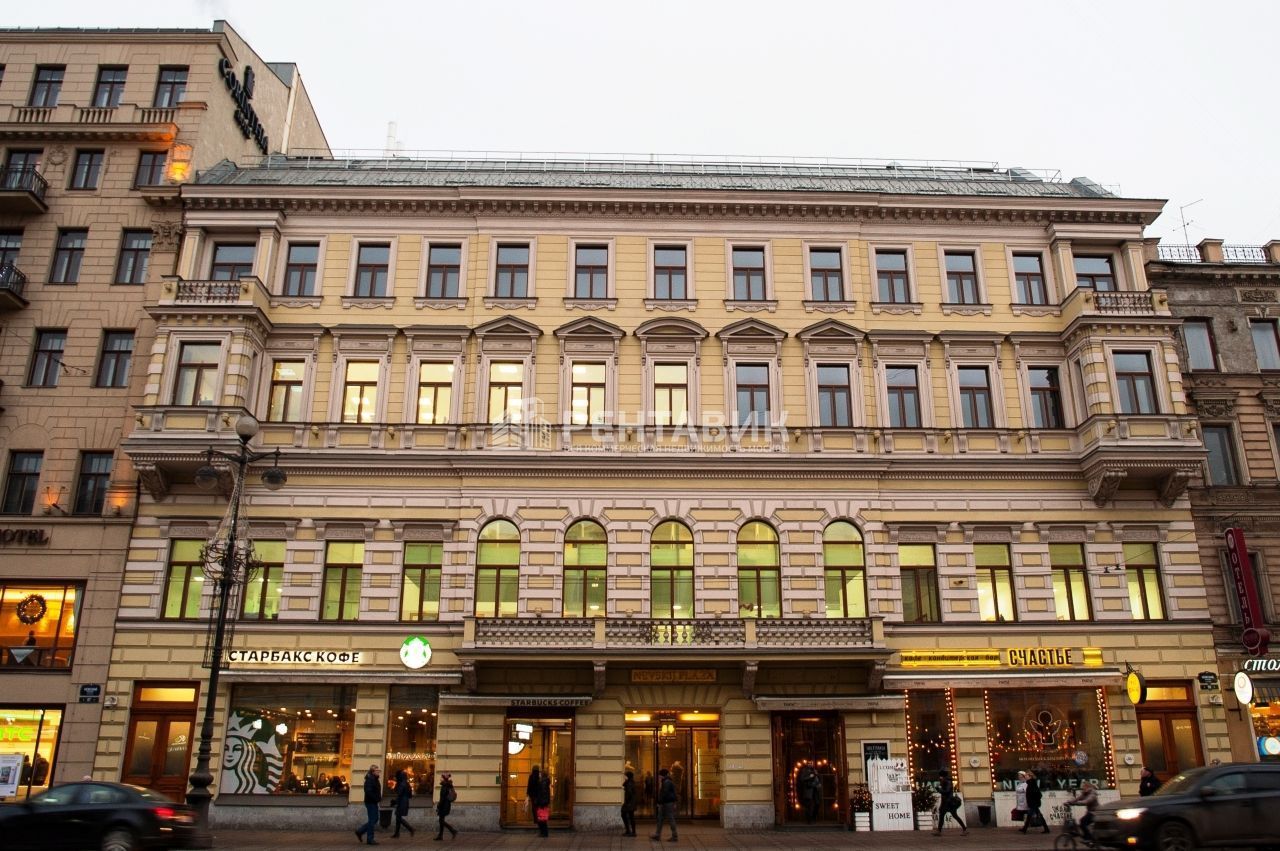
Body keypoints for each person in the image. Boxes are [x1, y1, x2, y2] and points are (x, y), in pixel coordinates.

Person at [932, 768, 967, 836]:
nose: (939, 777)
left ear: (942, 776)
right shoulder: (945, 781)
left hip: (948, 802)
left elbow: (947, 791)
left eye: (940, 776)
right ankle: (964, 829)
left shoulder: (947, 782)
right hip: (947, 802)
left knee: (944, 816)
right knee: (952, 816)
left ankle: (939, 831)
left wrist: (939, 789)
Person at [354, 764, 382, 846]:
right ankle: (370, 839)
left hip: (373, 802)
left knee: (375, 819)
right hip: (370, 802)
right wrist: (376, 798)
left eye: (378, 770)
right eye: (377, 770)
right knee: (372, 820)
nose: (378, 772)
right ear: (373, 772)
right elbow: (368, 792)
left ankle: (360, 831)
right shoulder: (370, 780)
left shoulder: (374, 779)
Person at [650, 766, 678, 842]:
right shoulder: (666, 781)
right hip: (666, 802)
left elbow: (664, 793)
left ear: (662, 775)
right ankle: (657, 835)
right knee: (660, 819)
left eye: (659, 775)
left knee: (670, 818)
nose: (659, 777)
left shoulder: (667, 782)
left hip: (667, 803)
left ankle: (674, 836)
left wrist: (659, 802)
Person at [1021, 770, 1049, 834]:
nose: (1025, 776)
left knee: (1029, 816)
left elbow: (1036, 793)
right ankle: (1046, 829)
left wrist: (1033, 801)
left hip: (1033, 803)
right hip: (1033, 803)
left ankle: (1025, 829)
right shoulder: (1030, 783)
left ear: (1030, 776)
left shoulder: (1032, 783)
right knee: (1039, 816)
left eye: (1026, 775)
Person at [392, 768, 415, 837]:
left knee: (399, 818)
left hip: (402, 802)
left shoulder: (402, 784)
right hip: (404, 801)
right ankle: (397, 833)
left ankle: (411, 829)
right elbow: (410, 795)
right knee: (398, 817)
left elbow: (399, 793)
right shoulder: (406, 783)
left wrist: (395, 801)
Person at [435, 771, 458, 840]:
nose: (440, 778)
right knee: (441, 820)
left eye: (441, 777)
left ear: (444, 778)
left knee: (441, 821)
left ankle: (453, 831)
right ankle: (440, 836)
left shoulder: (444, 786)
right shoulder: (448, 785)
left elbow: (442, 798)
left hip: (444, 805)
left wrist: (438, 806)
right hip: (446, 804)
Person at [531, 766, 552, 837]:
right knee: (542, 818)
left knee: (541, 818)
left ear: (542, 774)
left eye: (540, 773)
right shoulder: (545, 782)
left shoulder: (543, 782)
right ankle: (543, 832)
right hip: (544, 802)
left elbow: (542, 793)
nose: (539, 774)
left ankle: (544, 833)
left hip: (542, 803)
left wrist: (539, 802)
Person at [621, 769, 639, 836]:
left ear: (628, 776)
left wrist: (627, 802)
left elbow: (629, 793)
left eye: (625, 776)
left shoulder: (629, 783)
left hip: (629, 803)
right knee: (630, 816)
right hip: (631, 803)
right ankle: (631, 831)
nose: (624, 777)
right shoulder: (630, 782)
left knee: (625, 815)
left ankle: (630, 831)